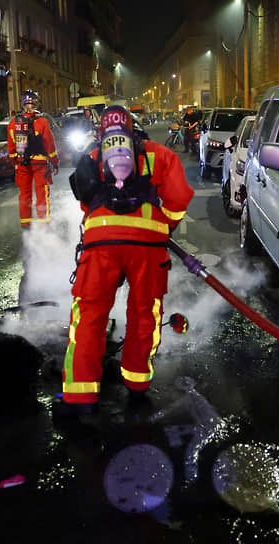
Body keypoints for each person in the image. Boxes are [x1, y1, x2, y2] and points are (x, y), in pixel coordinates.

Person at [57, 105, 194, 414]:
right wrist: (163, 226)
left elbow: (86, 203)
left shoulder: (93, 156)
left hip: (100, 244)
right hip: (147, 248)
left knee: (89, 316)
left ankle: (80, 395)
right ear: (132, 129)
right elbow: (179, 197)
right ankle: (136, 383)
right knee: (145, 312)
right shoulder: (156, 153)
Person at [7, 89, 59, 227]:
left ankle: (26, 224)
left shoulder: (14, 123)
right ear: (36, 103)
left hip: (22, 162)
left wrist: (15, 162)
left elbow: (11, 146)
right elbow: (49, 143)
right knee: (42, 192)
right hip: (40, 163)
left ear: (22, 103)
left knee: (24, 193)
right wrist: (54, 161)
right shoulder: (42, 122)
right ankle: (43, 223)